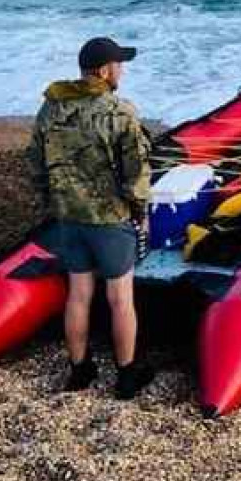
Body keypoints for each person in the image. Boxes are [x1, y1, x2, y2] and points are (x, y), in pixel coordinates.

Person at [28, 36, 154, 400]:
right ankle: (127, 376)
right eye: (119, 65)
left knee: (79, 294)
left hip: (69, 217)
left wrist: (51, 201)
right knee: (120, 298)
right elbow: (136, 173)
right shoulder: (118, 112)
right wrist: (140, 212)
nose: (122, 71)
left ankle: (80, 370)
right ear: (104, 70)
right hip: (110, 218)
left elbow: (35, 160)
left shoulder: (51, 108)